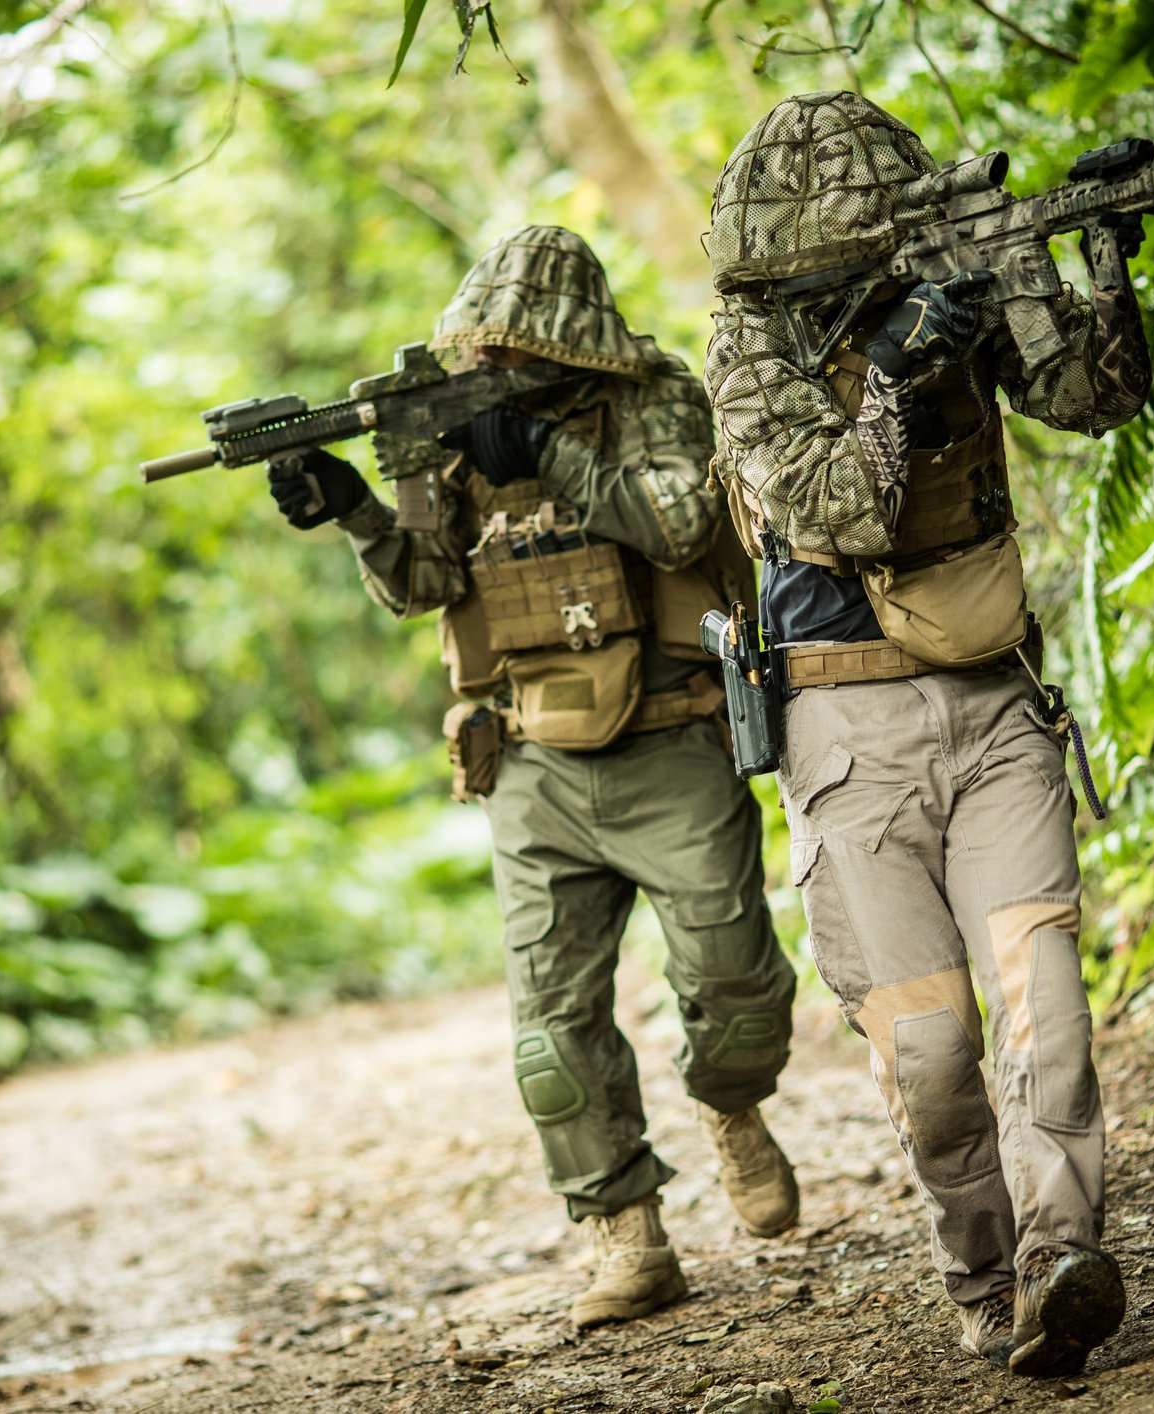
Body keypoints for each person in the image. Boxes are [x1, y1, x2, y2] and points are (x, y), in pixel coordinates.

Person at [270, 224, 801, 1329]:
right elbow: (423, 585)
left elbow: (683, 519)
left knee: (738, 988)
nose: (495, 373)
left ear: (571, 344)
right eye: (485, 356)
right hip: (530, 756)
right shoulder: (453, 429)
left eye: (516, 356)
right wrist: (353, 508)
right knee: (551, 1034)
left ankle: (730, 1105)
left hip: (670, 734)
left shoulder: (656, 396)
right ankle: (627, 1236)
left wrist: (544, 450)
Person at [700, 92, 1152, 1377]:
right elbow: (839, 508)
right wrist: (900, 364)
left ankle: (1059, 1259)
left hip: (995, 698)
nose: (838, 286)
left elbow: (1091, 394)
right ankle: (980, 1268)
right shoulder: (746, 346)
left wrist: (1083, 253)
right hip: (844, 729)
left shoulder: (943, 269)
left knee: (1043, 1002)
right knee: (935, 1053)